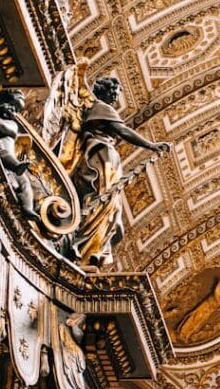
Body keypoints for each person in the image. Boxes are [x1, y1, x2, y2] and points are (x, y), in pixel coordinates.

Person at [72, 77, 168, 268]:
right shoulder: (100, 107)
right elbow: (123, 131)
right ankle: (85, 247)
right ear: (104, 91)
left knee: (113, 216)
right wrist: (151, 145)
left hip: (108, 158)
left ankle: (93, 249)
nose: (116, 97)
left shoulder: (100, 108)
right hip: (100, 157)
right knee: (102, 199)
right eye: (114, 92)